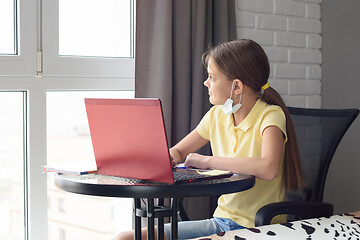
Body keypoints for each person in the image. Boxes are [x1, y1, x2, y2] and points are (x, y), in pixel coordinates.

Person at [115, 39, 304, 240]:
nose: (206, 83)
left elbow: (268, 167)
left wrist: (206, 161)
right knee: (123, 238)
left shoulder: (270, 116)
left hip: (257, 228)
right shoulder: (216, 115)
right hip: (220, 222)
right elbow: (179, 151)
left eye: (212, 77)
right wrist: (168, 157)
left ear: (237, 87)